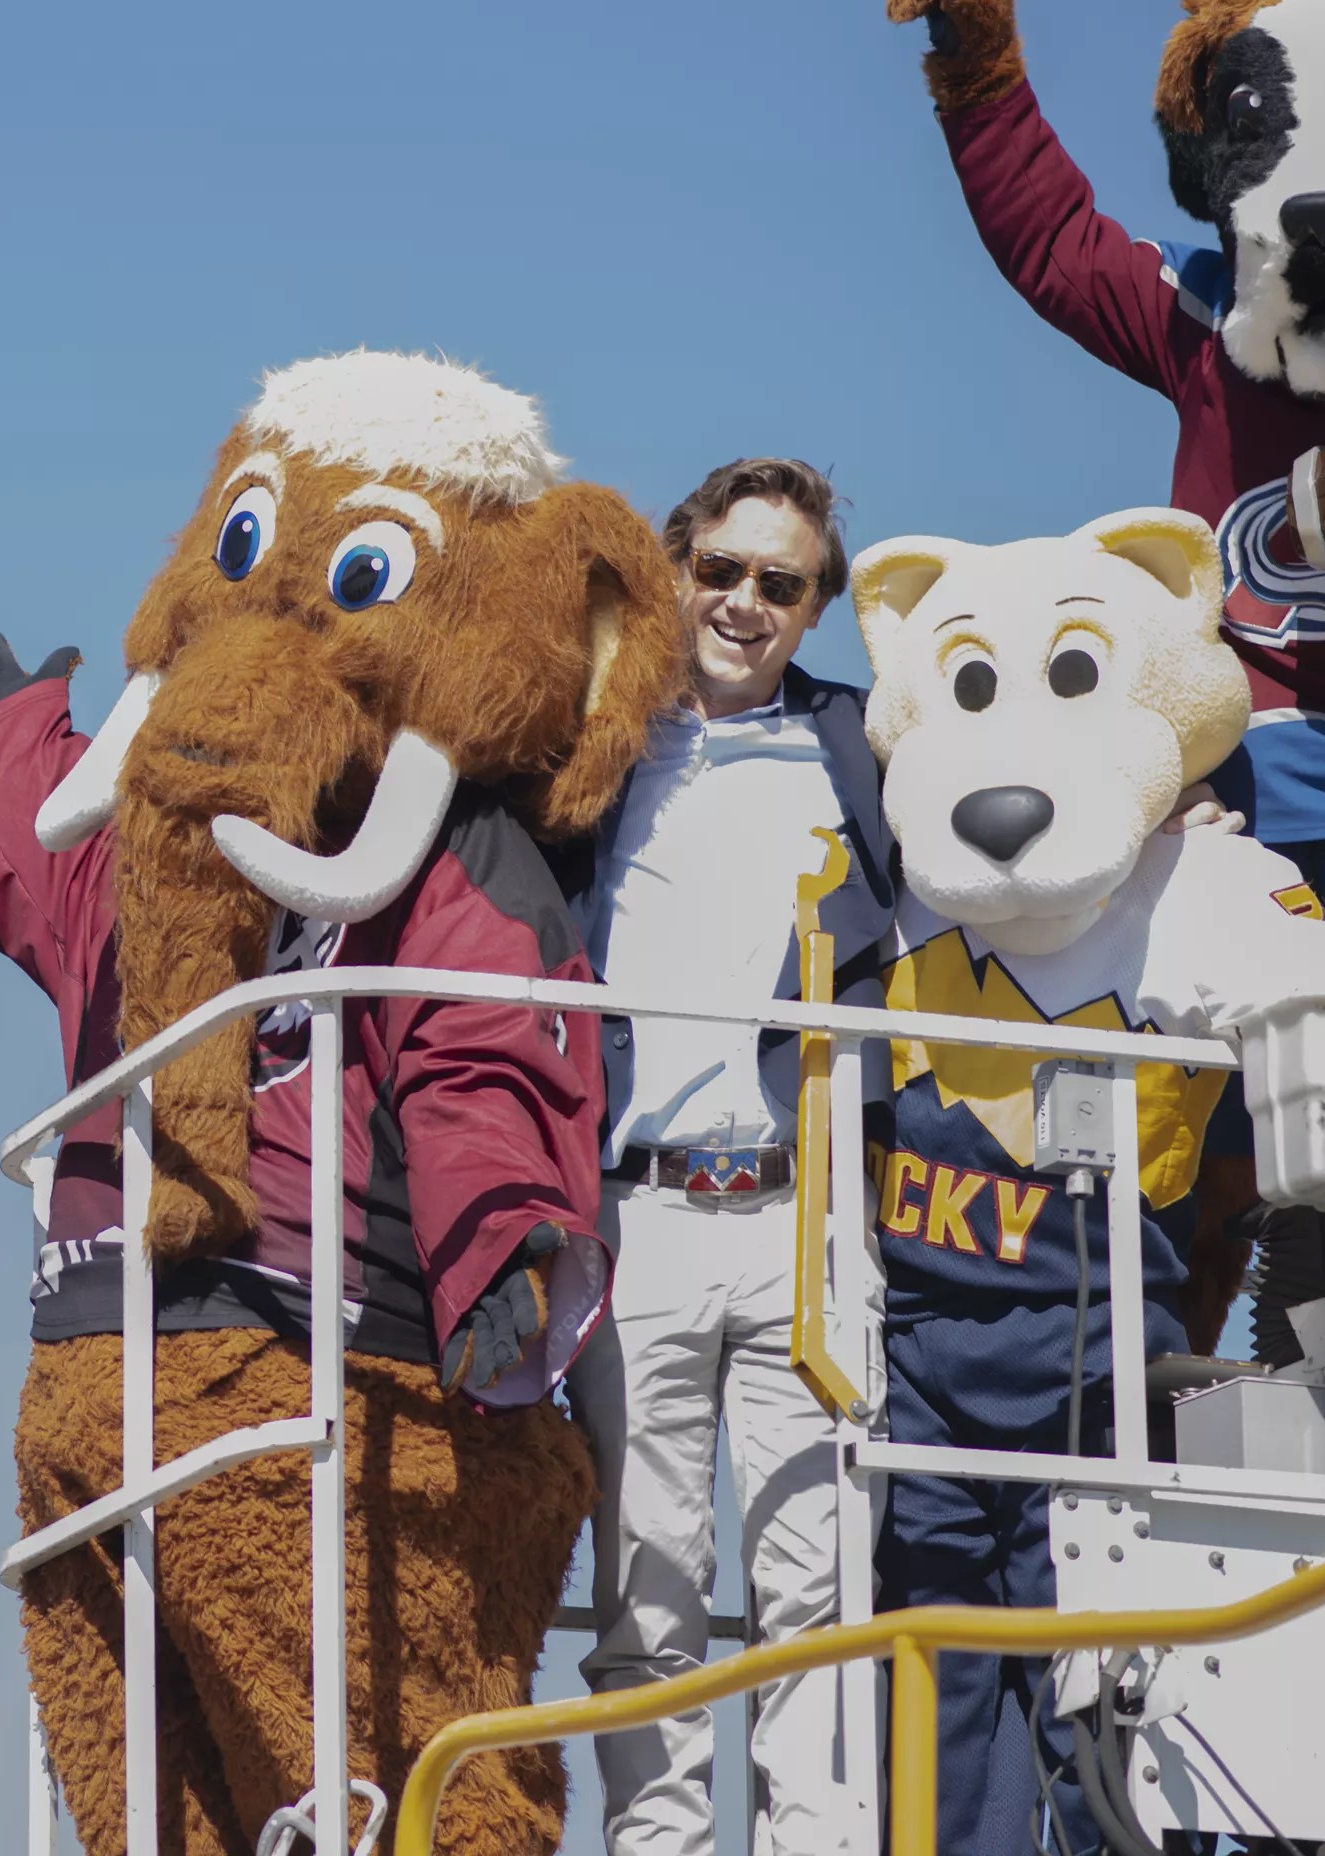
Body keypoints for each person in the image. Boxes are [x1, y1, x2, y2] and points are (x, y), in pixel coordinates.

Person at [558, 457, 894, 1856]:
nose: (746, 604)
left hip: (805, 1219)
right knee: (648, 1592)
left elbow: (1034, 812)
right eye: (723, 571)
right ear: (673, 565)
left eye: (783, 584)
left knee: (823, 1589)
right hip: (641, 1220)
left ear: (816, 609)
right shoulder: (599, 736)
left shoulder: (873, 746)